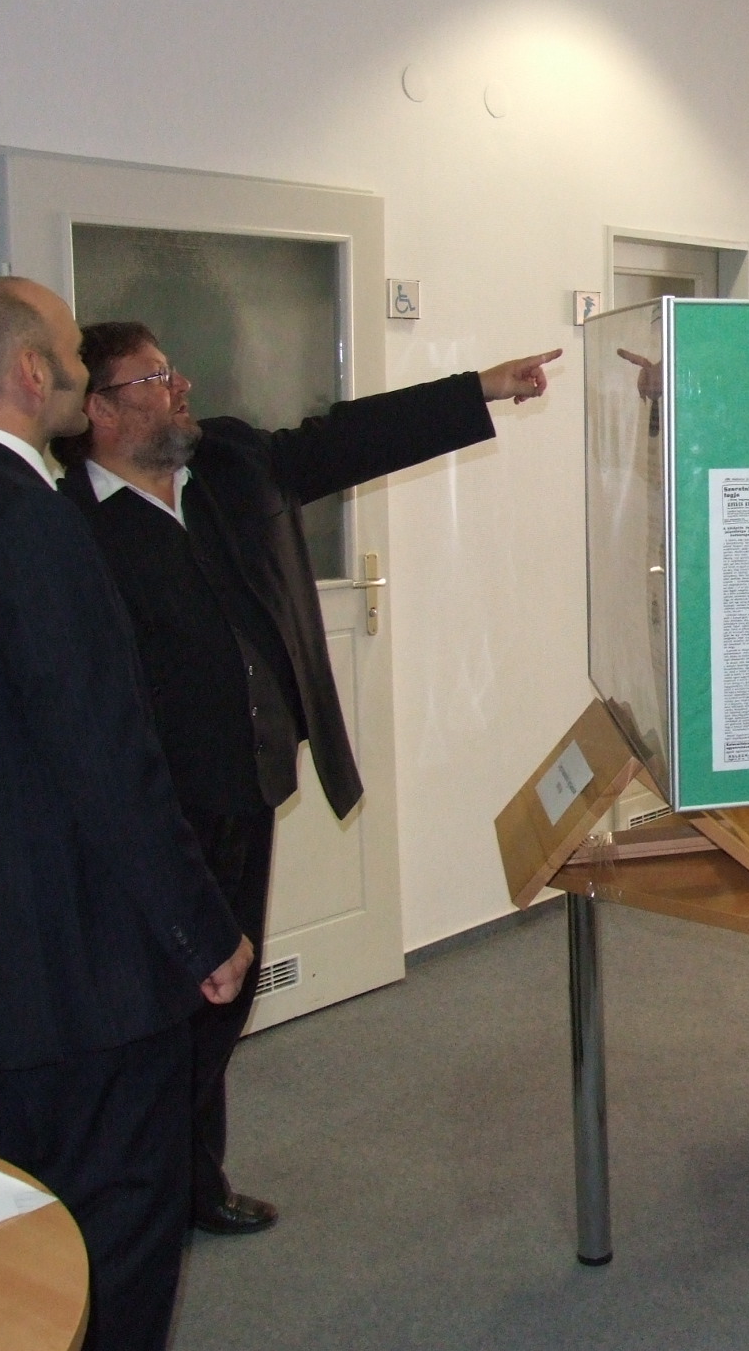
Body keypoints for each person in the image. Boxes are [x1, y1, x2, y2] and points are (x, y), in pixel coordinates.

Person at [52, 321, 560, 1235]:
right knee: (162, 1012)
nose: (180, 385)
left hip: (245, 784)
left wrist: (482, 386)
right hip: (150, 814)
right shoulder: (68, 529)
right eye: (155, 377)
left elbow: (348, 438)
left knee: (226, 996)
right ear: (99, 409)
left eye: (173, 367)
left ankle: (192, 1180)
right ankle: (142, 1192)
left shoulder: (226, 467)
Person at [0, 277, 253, 1351]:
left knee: (17, 1240)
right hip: (85, 976)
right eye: (73, 354)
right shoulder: (36, 526)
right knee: (117, 1234)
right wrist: (202, 930)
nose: (81, 371)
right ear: (33, 373)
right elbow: (107, 759)